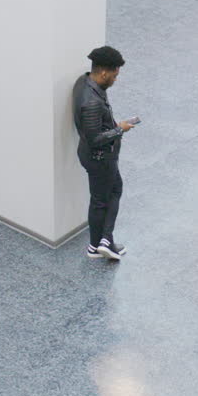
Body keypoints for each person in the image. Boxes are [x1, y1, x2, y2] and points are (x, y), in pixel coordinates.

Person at [73, 46, 136, 260]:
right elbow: (95, 139)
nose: (115, 80)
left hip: (92, 156)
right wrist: (120, 129)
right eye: (114, 75)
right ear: (103, 73)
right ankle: (102, 242)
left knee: (108, 193)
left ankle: (100, 242)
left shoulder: (85, 82)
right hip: (99, 159)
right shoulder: (92, 101)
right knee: (104, 198)